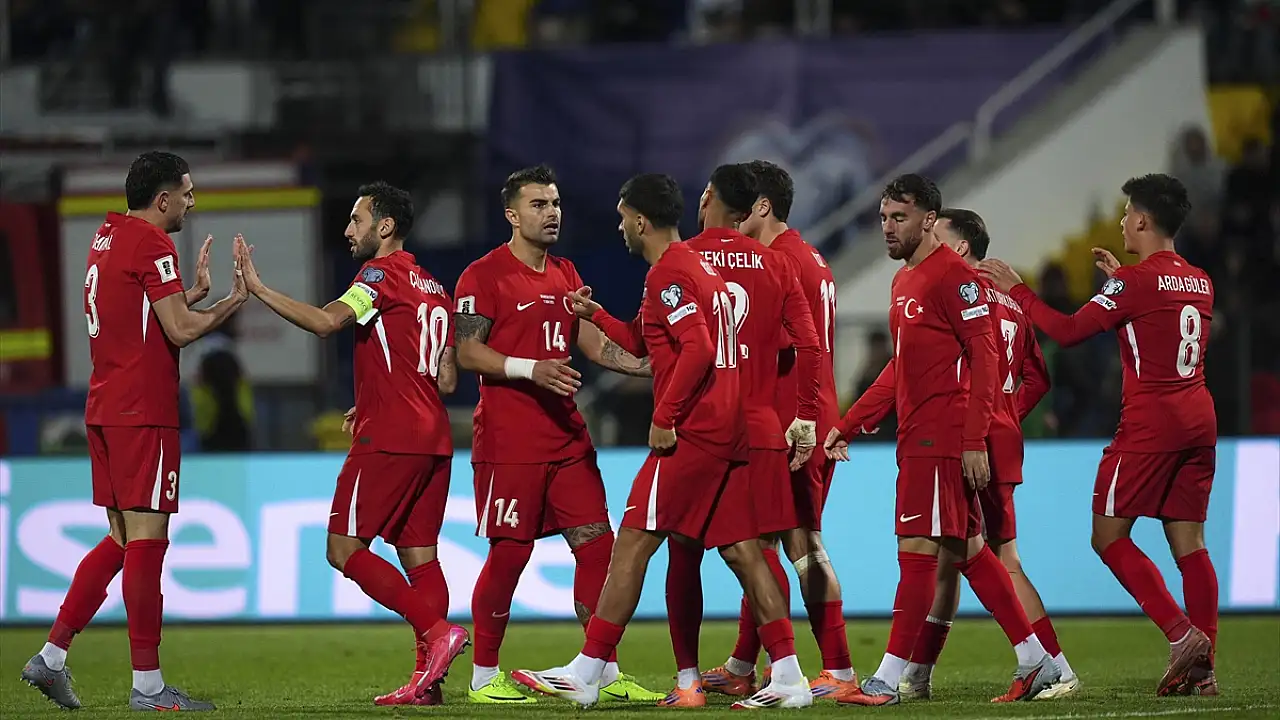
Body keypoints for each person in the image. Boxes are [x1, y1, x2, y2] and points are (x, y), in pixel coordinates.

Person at [511, 173, 813, 710]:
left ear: (640, 220)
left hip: (695, 431)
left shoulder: (670, 273)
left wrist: (666, 415)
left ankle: (587, 670)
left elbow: (697, 349)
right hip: (730, 428)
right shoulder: (696, 269)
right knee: (744, 551)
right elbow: (644, 340)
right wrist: (596, 316)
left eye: (623, 218)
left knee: (633, 539)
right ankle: (789, 676)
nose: (620, 228)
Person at [824, 174, 1060, 706]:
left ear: (929, 219)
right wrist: (850, 422)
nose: (888, 228)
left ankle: (886, 680)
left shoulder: (955, 277)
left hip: (941, 438)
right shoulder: (904, 280)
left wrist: (974, 440)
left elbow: (987, 359)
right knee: (969, 549)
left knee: (916, 551)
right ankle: (1035, 660)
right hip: (919, 436)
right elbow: (899, 369)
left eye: (899, 217)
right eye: (883, 218)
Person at [22, 151, 245, 711]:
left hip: (105, 407)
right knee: (148, 540)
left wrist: (189, 294)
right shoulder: (153, 244)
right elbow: (181, 331)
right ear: (163, 199)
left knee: (122, 539)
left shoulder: (108, 237)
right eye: (186, 194)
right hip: (143, 410)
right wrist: (231, 302)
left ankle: (51, 657)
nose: (192, 202)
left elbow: (138, 314)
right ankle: (148, 686)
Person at [980, 174, 1219, 697]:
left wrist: (1017, 289)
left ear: (1143, 220)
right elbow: (1152, 316)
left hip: (1152, 423)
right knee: (1191, 545)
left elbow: (1067, 331)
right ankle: (1204, 670)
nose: (1122, 221)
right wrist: (1121, 283)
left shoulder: (1133, 284)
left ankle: (1181, 636)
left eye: (1127, 213)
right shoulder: (1200, 280)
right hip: (1199, 418)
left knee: (1108, 536)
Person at [233, 182, 468, 706]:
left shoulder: (377, 276)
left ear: (385, 226)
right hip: (434, 437)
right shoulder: (434, 287)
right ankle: (426, 685)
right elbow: (445, 378)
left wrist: (259, 288)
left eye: (356, 220)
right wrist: (377, 392)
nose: (347, 230)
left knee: (343, 548)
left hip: (392, 436)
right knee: (420, 558)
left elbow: (325, 323)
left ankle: (438, 634)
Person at [451, 165, 661, 705]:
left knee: (598, 547)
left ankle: (601, 670)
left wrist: (657, 368)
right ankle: (484, 676)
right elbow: (467, 351)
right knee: (510, 554)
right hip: (509, 442)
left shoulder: (566, 273)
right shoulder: (483, 275)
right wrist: (531, 369)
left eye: (556, 203)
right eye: (539, 204)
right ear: (511, 214)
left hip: (567, 439)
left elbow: (596, 345)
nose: (551, 213)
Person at [693, 160, 861, 702]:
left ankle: (839, 671)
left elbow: (785, 344)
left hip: (793, 422)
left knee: (801, 544)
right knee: (762, 540)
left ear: (761, 207)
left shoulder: (780, 262)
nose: (735, 217)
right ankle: (743, 665)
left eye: (744, 207)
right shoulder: (809, 257)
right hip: (805, 415)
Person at [656, 163, 822, 707]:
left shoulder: (683, 258)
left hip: (700, 427)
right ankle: (785, 672)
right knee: (759, 551)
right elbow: (810, 345)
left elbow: (660, 342)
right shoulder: (777, 263)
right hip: (761, 426)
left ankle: (685, 681)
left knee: (679, 548)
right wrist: (805, 416)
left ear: (707, 197)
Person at [899, 208, 1079, 700]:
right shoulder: (1010, 302)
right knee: (954, 553)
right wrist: (1006, 413)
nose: (928, 239)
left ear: (959, 247)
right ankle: (916, 674)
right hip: (997, 434)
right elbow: (1038, 377)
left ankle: (1054, 665)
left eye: (937, 233)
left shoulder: (956, 291)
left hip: (968, 437)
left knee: (996, 557)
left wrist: (983, 422)